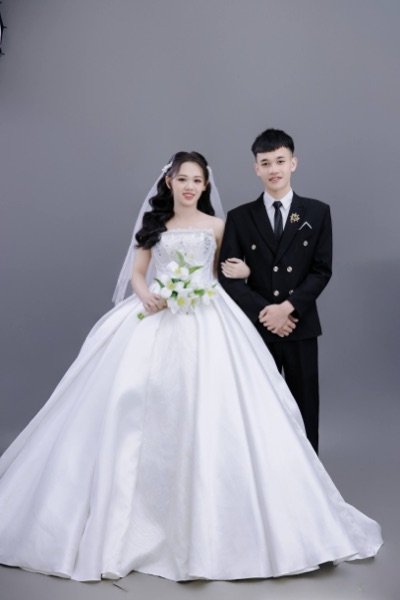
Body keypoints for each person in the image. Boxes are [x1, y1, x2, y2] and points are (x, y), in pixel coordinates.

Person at [0, 151, 381, 583]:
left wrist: (243, 271)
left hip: (209, 315)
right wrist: (146, 295)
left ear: (205, 185)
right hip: (157, 312)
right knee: (132, 399)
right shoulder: (154, 227)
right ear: (169, 182)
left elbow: (226, 274)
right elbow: (138, 272)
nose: (189, 187)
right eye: (183, 179)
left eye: (197, 180)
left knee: (219, 407)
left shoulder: (218, 226)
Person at [219, 128, 332, 453]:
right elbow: (228, 277)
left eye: (280, 161)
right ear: (256, 167)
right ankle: (266, 476)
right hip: (258, 328)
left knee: (305, 406)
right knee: (259, 407)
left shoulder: (316, 212)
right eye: (266, 163)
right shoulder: (240, 217)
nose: (274, 169)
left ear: (293, 163)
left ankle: (309, 477)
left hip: (299, 325)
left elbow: (321, 270)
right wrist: (265, 313)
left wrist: (287, 308)